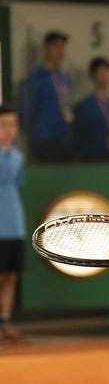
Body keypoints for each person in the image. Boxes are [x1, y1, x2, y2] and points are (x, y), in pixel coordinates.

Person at [16, 30, 75, 164]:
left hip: (65, 139)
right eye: (57, 46)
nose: (61, 51)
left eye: (63, 47)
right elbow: (25, 111)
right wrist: (36, 133)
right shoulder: (36, 78)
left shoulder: (66, 78)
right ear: (47, 48)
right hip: (43, 141)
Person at [0, 105, 25, 344]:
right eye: (3, 124)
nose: (8, 130)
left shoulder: (18, 157)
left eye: (12, 124)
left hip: (14, 225)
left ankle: (5, 322)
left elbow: (17, 183)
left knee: (10, 276)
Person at [73, 56, 109, 163]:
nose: (105, 75)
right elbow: (79, 137)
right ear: (93, 75)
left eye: (107, 71)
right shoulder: (84, 107)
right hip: (92, 160)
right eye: (101, 72)